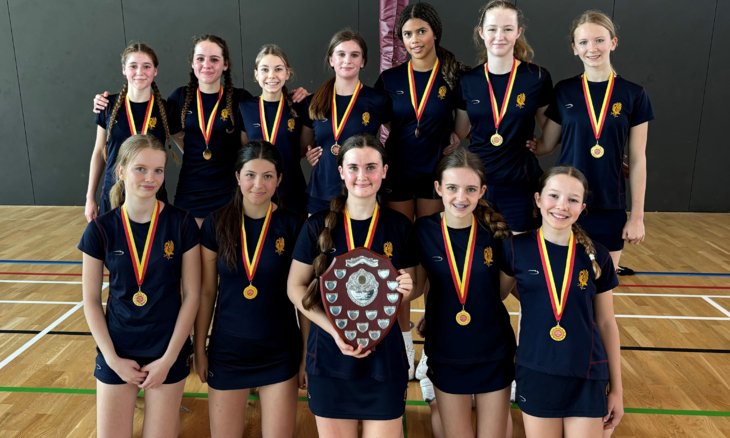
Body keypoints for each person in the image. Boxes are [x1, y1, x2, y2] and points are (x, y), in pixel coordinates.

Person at [288, 134, 416, 438]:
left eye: (371, 167)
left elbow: (412, 285)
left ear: (384, 171)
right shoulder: (317, 225)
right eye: (354, 167)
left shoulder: (399, 226)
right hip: (331, 358)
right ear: (341, 172)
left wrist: (410, 287)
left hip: (384, 361)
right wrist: (335, 331)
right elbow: (295, 287)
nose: (363, 176)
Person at [79, 134, 200, 437]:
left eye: (158, 170)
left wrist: (169, 359)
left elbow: (193, 295)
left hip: (165, 351)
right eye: (140, 169)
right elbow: (91, 301)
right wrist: (112, 358)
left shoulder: (181, 223)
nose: (150, 178)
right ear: (120, 171)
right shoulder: (100, 229)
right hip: (118, 349)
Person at [375, 1, 466, 381]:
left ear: (434, 33)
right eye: (407, 34)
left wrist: (457, 140)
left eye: (421, 32)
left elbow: (465, 123)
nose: (414, 40)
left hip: (434, 177)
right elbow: (362, 115)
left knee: (432, 257)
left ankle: (433, 346)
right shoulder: (391, 79)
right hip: (398, 175)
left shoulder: (453, 76)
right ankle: (402, 341)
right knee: (399, 261)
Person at [503, 166, 623, 437]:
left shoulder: (597, 255)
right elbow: (494, 295)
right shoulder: (515, 249)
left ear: (582, 206)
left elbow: (606, 323)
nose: (561, 206)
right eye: (553, 196)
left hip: (587, 373)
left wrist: (617, 389)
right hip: (536, 371)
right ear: (538, 199)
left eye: (572, 199)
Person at [194, 140, 303, 437]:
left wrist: (307, 352)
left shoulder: (293, 225)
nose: (259, 184)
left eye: (268, 176)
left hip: (280, 351)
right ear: (237, 177)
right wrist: (199, 348)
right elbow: (206, 293)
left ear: (279, 179)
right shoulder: (216, 224)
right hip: (229, 351)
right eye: (250, 175)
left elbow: (304, 299)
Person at [534, 10, 653, 275]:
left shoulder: (634, 94)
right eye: (584, 42)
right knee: (559, 282)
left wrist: (637, 217)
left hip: (608, 203)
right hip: (564, 204)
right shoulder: (565, 91)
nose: (592, 48)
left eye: (599, 40)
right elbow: (546, 144)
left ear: (613, 42)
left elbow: (637, 160)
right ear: (574, 48)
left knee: (601, 289)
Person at [414, 148, 515, 437]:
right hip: (446, 349)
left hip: (492, 348)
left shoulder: (496, 233)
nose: (461, 197)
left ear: (482, 190)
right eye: (452, 188)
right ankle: (433, 398)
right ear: (438, 188)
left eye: (471, 189)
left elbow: (499, 294)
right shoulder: (423, 230)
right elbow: (419, 286)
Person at [455, 0, 554, 232]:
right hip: (477, 182)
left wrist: (543, 147)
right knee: (479, 255)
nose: (500, 36)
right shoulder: (468, 81)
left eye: (508, 29)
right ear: (481, 33)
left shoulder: (536, 77)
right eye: (492, 29)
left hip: (519, 182)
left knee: (517, 255)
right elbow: (460, 131)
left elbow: (549, 127)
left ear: (518, 32)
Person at [302, 29, 391, 215]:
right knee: (321, 244)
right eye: (341, 54)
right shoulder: (313, 101)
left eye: (354, 55)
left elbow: (399, 135)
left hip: (362, 190)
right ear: (331, 60)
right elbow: (303, 147)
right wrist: (308, 153)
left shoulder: (377, 100)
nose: (347, 60)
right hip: (321, 191)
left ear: (363, 61)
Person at [85, 42, 170, 222]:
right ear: (124, 69)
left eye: (147, 66)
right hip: (113, 191)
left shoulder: (166, 109)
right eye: (133, 66)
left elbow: (188, 144)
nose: (140, 72)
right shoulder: (107, 105)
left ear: (155, 71)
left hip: (151, 190)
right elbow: (98, 152)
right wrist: (90, 197)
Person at [238, 44, 308, 218]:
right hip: (257, 190)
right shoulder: (245, 108)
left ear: (287, 73)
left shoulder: (300, 106)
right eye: (264, 69)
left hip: (292, 188)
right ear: (256, 74)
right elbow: (245, 150)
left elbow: (302, 149)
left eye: (278, 69)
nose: (271, 76)